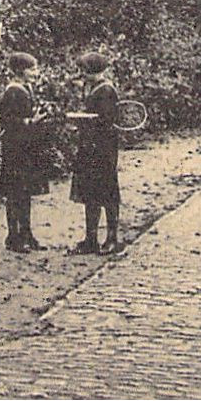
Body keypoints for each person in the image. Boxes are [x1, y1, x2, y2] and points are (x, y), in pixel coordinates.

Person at [0, 52, 52, 253]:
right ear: (21, 71)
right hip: (15, 149)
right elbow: (7, 122)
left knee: (25, 192)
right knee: (15, 193)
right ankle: (13, 236)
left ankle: (26, 233)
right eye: (32, 69)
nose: (36, 73)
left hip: (27, 148)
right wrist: (31, 121)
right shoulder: (13, 91)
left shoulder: (26, 89)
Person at [69, 51, 122, 255]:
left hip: (103, 148)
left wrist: (84, 121)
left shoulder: (106, 90)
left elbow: (106, 121)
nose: (82, 74)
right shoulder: (91, 88)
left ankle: (112, 239)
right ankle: (90, 239)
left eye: (85, 71)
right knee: (89, 192)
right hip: (88, 146)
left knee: (107, 191)